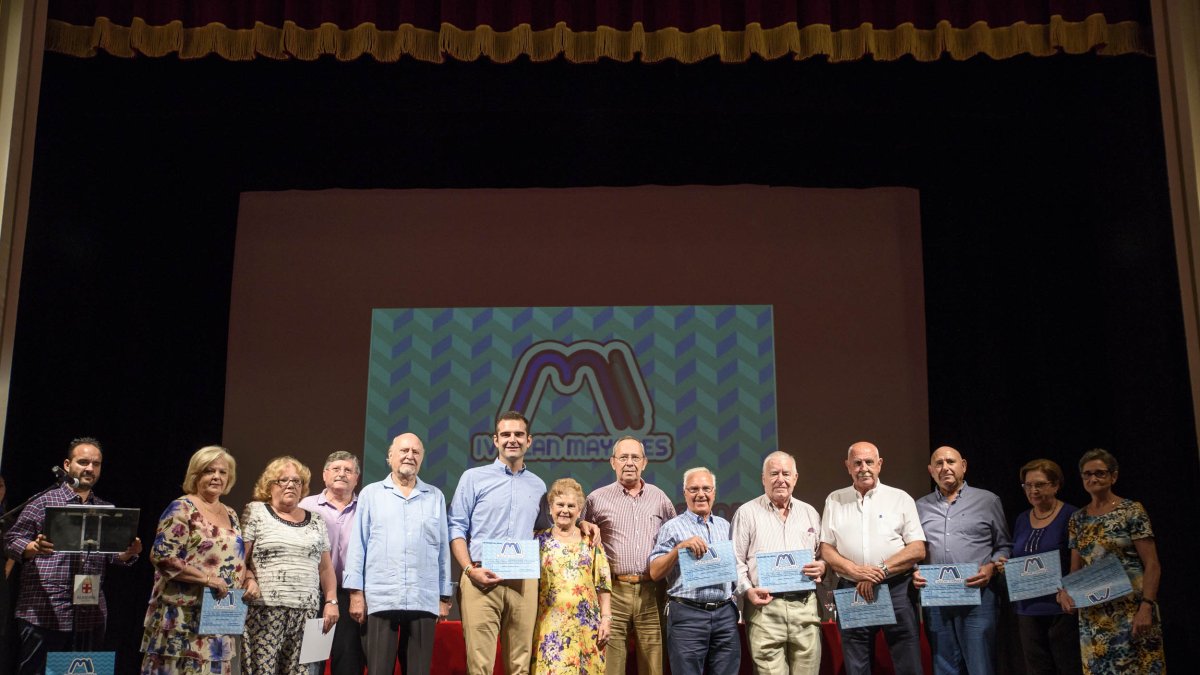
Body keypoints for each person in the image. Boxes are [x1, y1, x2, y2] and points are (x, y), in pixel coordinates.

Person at [2, 437, 142, 675]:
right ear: (67, 465)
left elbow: (113, 556)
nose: (90, 468)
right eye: (83, 462)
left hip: (90, 614)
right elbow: (11, 540)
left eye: (96, 464)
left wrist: (128, 553)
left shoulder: (105, 509)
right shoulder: (43, 501)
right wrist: (33, 548)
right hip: (44, 612)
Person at [344, 433, 451, 675]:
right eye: (404, 451)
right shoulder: (371, 494)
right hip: (381, 596)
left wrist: (444, 597)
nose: (409, 456)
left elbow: (442, 548)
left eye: (416, 452)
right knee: (379, 670)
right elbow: (358, 545)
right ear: (390, 457)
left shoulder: (435, 496)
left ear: (422, 459)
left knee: (418, 671)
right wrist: (356, 593)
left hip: (423, 597)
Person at [819, 441, 925, 675]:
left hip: (896, 589)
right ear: (848, 466)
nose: (863, 468)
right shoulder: (834, 500)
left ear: (880, 464)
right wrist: (855, 571)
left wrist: (879, 572)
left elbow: (917, 548)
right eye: (857, 463)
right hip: (852, 589)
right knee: (856, 666)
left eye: (869, 462)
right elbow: (826, 548)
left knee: (908, 665)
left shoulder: (900, 498)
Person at [139, 445, 244, 674]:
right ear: (196, 475)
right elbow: (163, 556)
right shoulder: (181, 508)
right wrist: (207, 579)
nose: (216, 477)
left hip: (218, 615)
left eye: (222, 472)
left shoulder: (232, 514)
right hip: (182, 615)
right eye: (209, 471)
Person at [1058, 449, 1164, 674]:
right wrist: (1064, 591)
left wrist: (1147, 606)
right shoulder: (1077, 519)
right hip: (1094, 616)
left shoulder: (1131, 511)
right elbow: (1075, 569)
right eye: (1087, 474)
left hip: (1132, 610)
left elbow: (1153, 564)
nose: (1093, 479)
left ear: (1113, 476)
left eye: (1100, 473)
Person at [913, 446, 1011, 675]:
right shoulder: (919, 507)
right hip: (936, 598)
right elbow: (914, 549)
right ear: (930, 470)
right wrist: (915, 571)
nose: (945, 467)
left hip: (977, 596)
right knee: (944, 665)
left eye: (951, 461)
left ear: (963, 466)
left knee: (980, 665)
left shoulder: (988, 501)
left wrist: (991, 567)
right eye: (938, 463)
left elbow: (1004, 545)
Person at [581, 436, 676, 675]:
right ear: (613, 462)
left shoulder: (660, 498)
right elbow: (581, 538)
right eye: (623, 457)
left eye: (635, 457)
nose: (630, 462)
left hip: (652, 591)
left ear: (644, 462)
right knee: (611, 665)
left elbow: (675, 536)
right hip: (613, 591)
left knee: (653, 665)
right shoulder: (596, 499)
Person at [732, 451, 827, 675]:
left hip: (805, 608)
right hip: (765, 609)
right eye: (774, 473)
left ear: (795, 478)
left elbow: (822, 555)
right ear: (763, 478)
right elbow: (736, 562)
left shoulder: (809, 513)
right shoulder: (746, 513)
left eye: (786, 473)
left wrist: (822, 566)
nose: (780, 479)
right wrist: (748, 591)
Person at [241, 457, 339, 675]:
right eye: (283, 480)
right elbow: (241, 559)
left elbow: (325, 568)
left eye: (297, 481)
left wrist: (331, 600)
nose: (291, 485)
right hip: (264, 611)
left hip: (307, 613)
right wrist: (248, 578)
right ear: (269, 485)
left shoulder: (316, 520)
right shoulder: (255, 511)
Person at [647, 467, 740, 675]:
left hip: (724, 614)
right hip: (687, 615)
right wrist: (678, 549)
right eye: (694, 489)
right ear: (685, 493)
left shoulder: (726, 526)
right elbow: (654, 571)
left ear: (714, 492)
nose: (701, 494)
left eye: (706, 488)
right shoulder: (672, 528)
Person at [995, 459, 1081, 675]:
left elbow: (1078, 561)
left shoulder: (1072, 515)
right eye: (1027, 485)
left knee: (1067, 666)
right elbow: (1021, 556)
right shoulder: (1022, 519)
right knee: (1037, 668)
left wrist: (1070, 591)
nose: (1033, 490)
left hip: (1061, 606)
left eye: (1040, 484)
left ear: (1055, 485)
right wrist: (1008, 565)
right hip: (1027, 607)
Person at [532, 478, 612, 675]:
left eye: (571, 506)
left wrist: (606, 619)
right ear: (550, 508)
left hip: (587, 628)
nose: (565, 510)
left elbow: (603, 584)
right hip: (549, 627)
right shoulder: (537, 541)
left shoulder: (591, 541)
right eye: (560, 505)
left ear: (579, 510)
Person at [298, 451, 364, 675]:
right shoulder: (306, 506)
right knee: (312, 660)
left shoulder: (366, 508)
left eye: (348, 470)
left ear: (356, 478)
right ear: (325, 475)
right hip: (314, 593)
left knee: (348, 659)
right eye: (336, 469)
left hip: (351, 594)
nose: (342, 474)